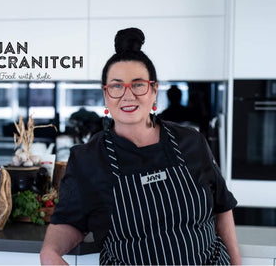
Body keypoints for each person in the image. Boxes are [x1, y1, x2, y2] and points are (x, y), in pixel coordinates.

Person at [40, 28, 241, 265]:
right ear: (105, 95)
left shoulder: (191, 142)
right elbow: (69, 223)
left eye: (138, 85)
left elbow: (222, 208)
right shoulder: (89, 159)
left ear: (154, 91)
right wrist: (50, 252)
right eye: (116, 86)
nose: (127, 95)